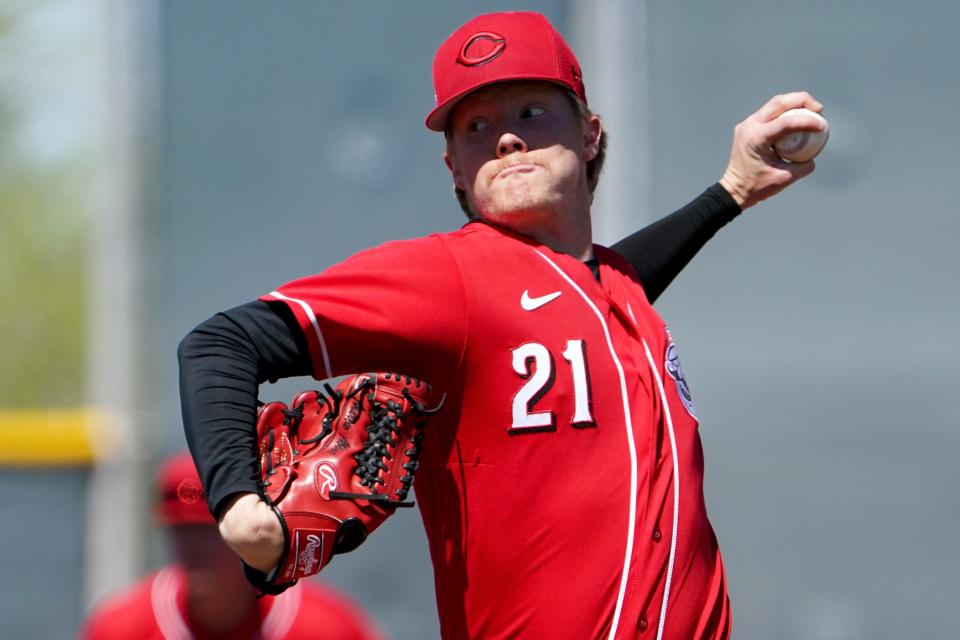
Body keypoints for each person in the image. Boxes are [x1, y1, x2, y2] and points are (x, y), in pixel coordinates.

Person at [177, 11, 825, 640]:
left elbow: (606, 281)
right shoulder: (449, 281)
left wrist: (732, 190)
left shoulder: (615, 296)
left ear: (591, 133)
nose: (507, 138)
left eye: (530, 113)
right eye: (477, 126)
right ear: (454, 168)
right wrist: (239, 506)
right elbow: (219, 344)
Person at [79, 451, 383, 640]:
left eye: (210, 530)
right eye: (181, 529)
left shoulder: (327, 629)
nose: (193, 546)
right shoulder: (121, 629)